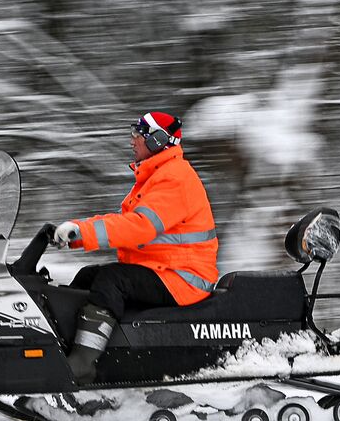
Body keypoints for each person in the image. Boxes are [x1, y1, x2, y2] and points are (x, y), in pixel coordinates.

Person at [52, 111, 219, 384]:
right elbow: (124, 222)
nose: (132, 142)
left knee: (112, 281)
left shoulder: (175, 179)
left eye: (137, 136)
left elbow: (140, 227)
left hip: (184, 277)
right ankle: (65, 349)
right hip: (163, 269)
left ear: (158, 141)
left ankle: (82, 365)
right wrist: (77, 232)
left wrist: (85, 231)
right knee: (88, 277)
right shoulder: (156, 176)